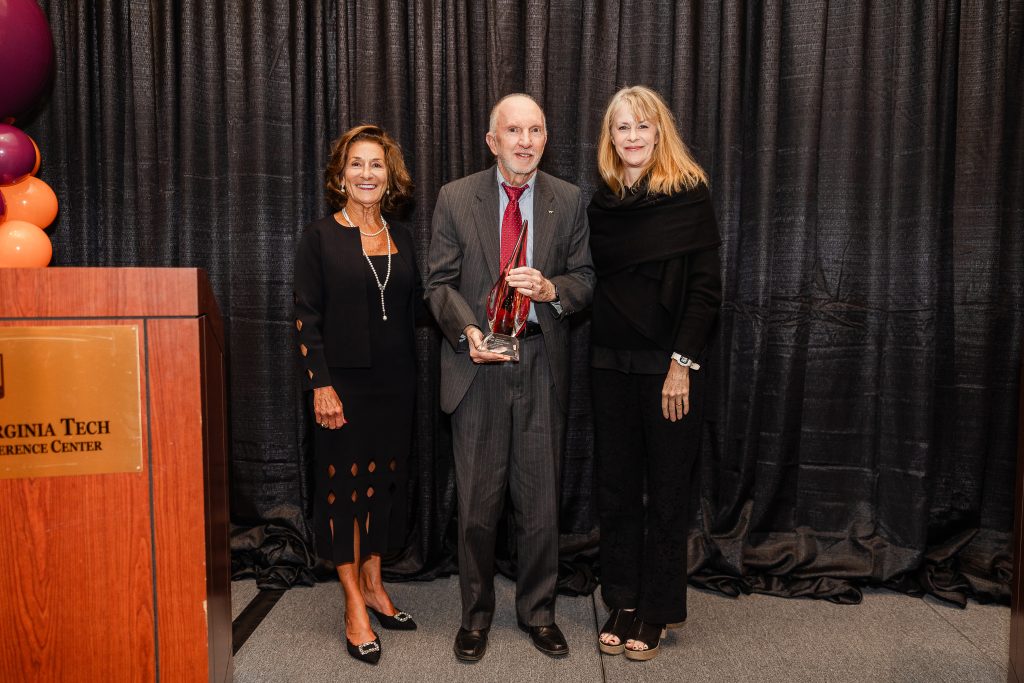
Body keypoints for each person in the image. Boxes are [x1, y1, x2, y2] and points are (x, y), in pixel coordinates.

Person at [424, 93, 595, 661]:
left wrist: (552, 290)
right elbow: (438, 284)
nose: (525, 141)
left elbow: (586, 278)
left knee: (540, 505)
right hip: (478, 369)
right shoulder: (455, 198)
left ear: (546, 139)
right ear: (492, 141)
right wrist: (467, 331)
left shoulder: (568, 200)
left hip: (540, 361)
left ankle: (539, 613)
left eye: (536, 131)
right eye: (514, 131)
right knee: (476, 506)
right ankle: (474, 618)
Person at [587, 85, 722, 661]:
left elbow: (706, 292)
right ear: (610, 138)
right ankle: (620, 596)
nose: (633, 137)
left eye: (643, 126)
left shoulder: (689, 196)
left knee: (668, 493)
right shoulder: (605, 202)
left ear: (660, 132)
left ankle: (658, 608)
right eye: (622, 128)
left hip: (669, 368)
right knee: (616, 490)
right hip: (608, 364)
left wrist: (681, 365)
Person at [293, 124, 420, 665]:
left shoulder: (402, 235)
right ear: (340, 174)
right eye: (356, 164)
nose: (367, 174)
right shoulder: (320, 236)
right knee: (345, 494)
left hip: (395, 384)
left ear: (389, 175)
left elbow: (418, 307)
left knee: (381, 490)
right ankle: (353, 605)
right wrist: (320, 384)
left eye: (376, 164)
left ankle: (374, 583)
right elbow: (305, 317)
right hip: (342, 387)